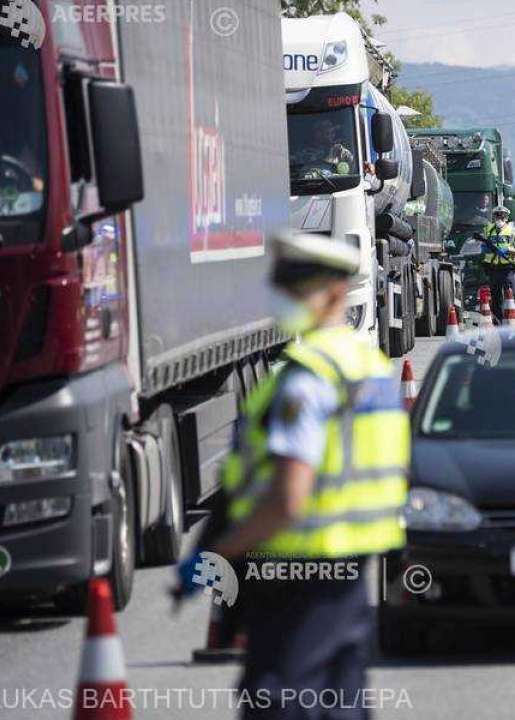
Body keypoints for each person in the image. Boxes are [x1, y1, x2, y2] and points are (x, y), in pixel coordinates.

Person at [177, 232, 409, 718]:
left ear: (336, 293)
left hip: (296, 572)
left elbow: (287, 500)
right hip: (349, 570)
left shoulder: (308, 378)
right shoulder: (368, 366)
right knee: (340, 703)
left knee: (278, 700)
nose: (286, 299)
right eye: (284, 287)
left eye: (299, 289)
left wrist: (218, 555)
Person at [481, 205, 515, 323]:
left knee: (511, 294)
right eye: (496, 215)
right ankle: (498, 322)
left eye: (501, 215)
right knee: (495, 298)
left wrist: (508, 250)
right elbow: (483, 246)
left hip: (507, 269)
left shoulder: (512, 231)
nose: (499, 218)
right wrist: (486, 249)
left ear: (506, 217)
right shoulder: (488, 230)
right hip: (493, 269)